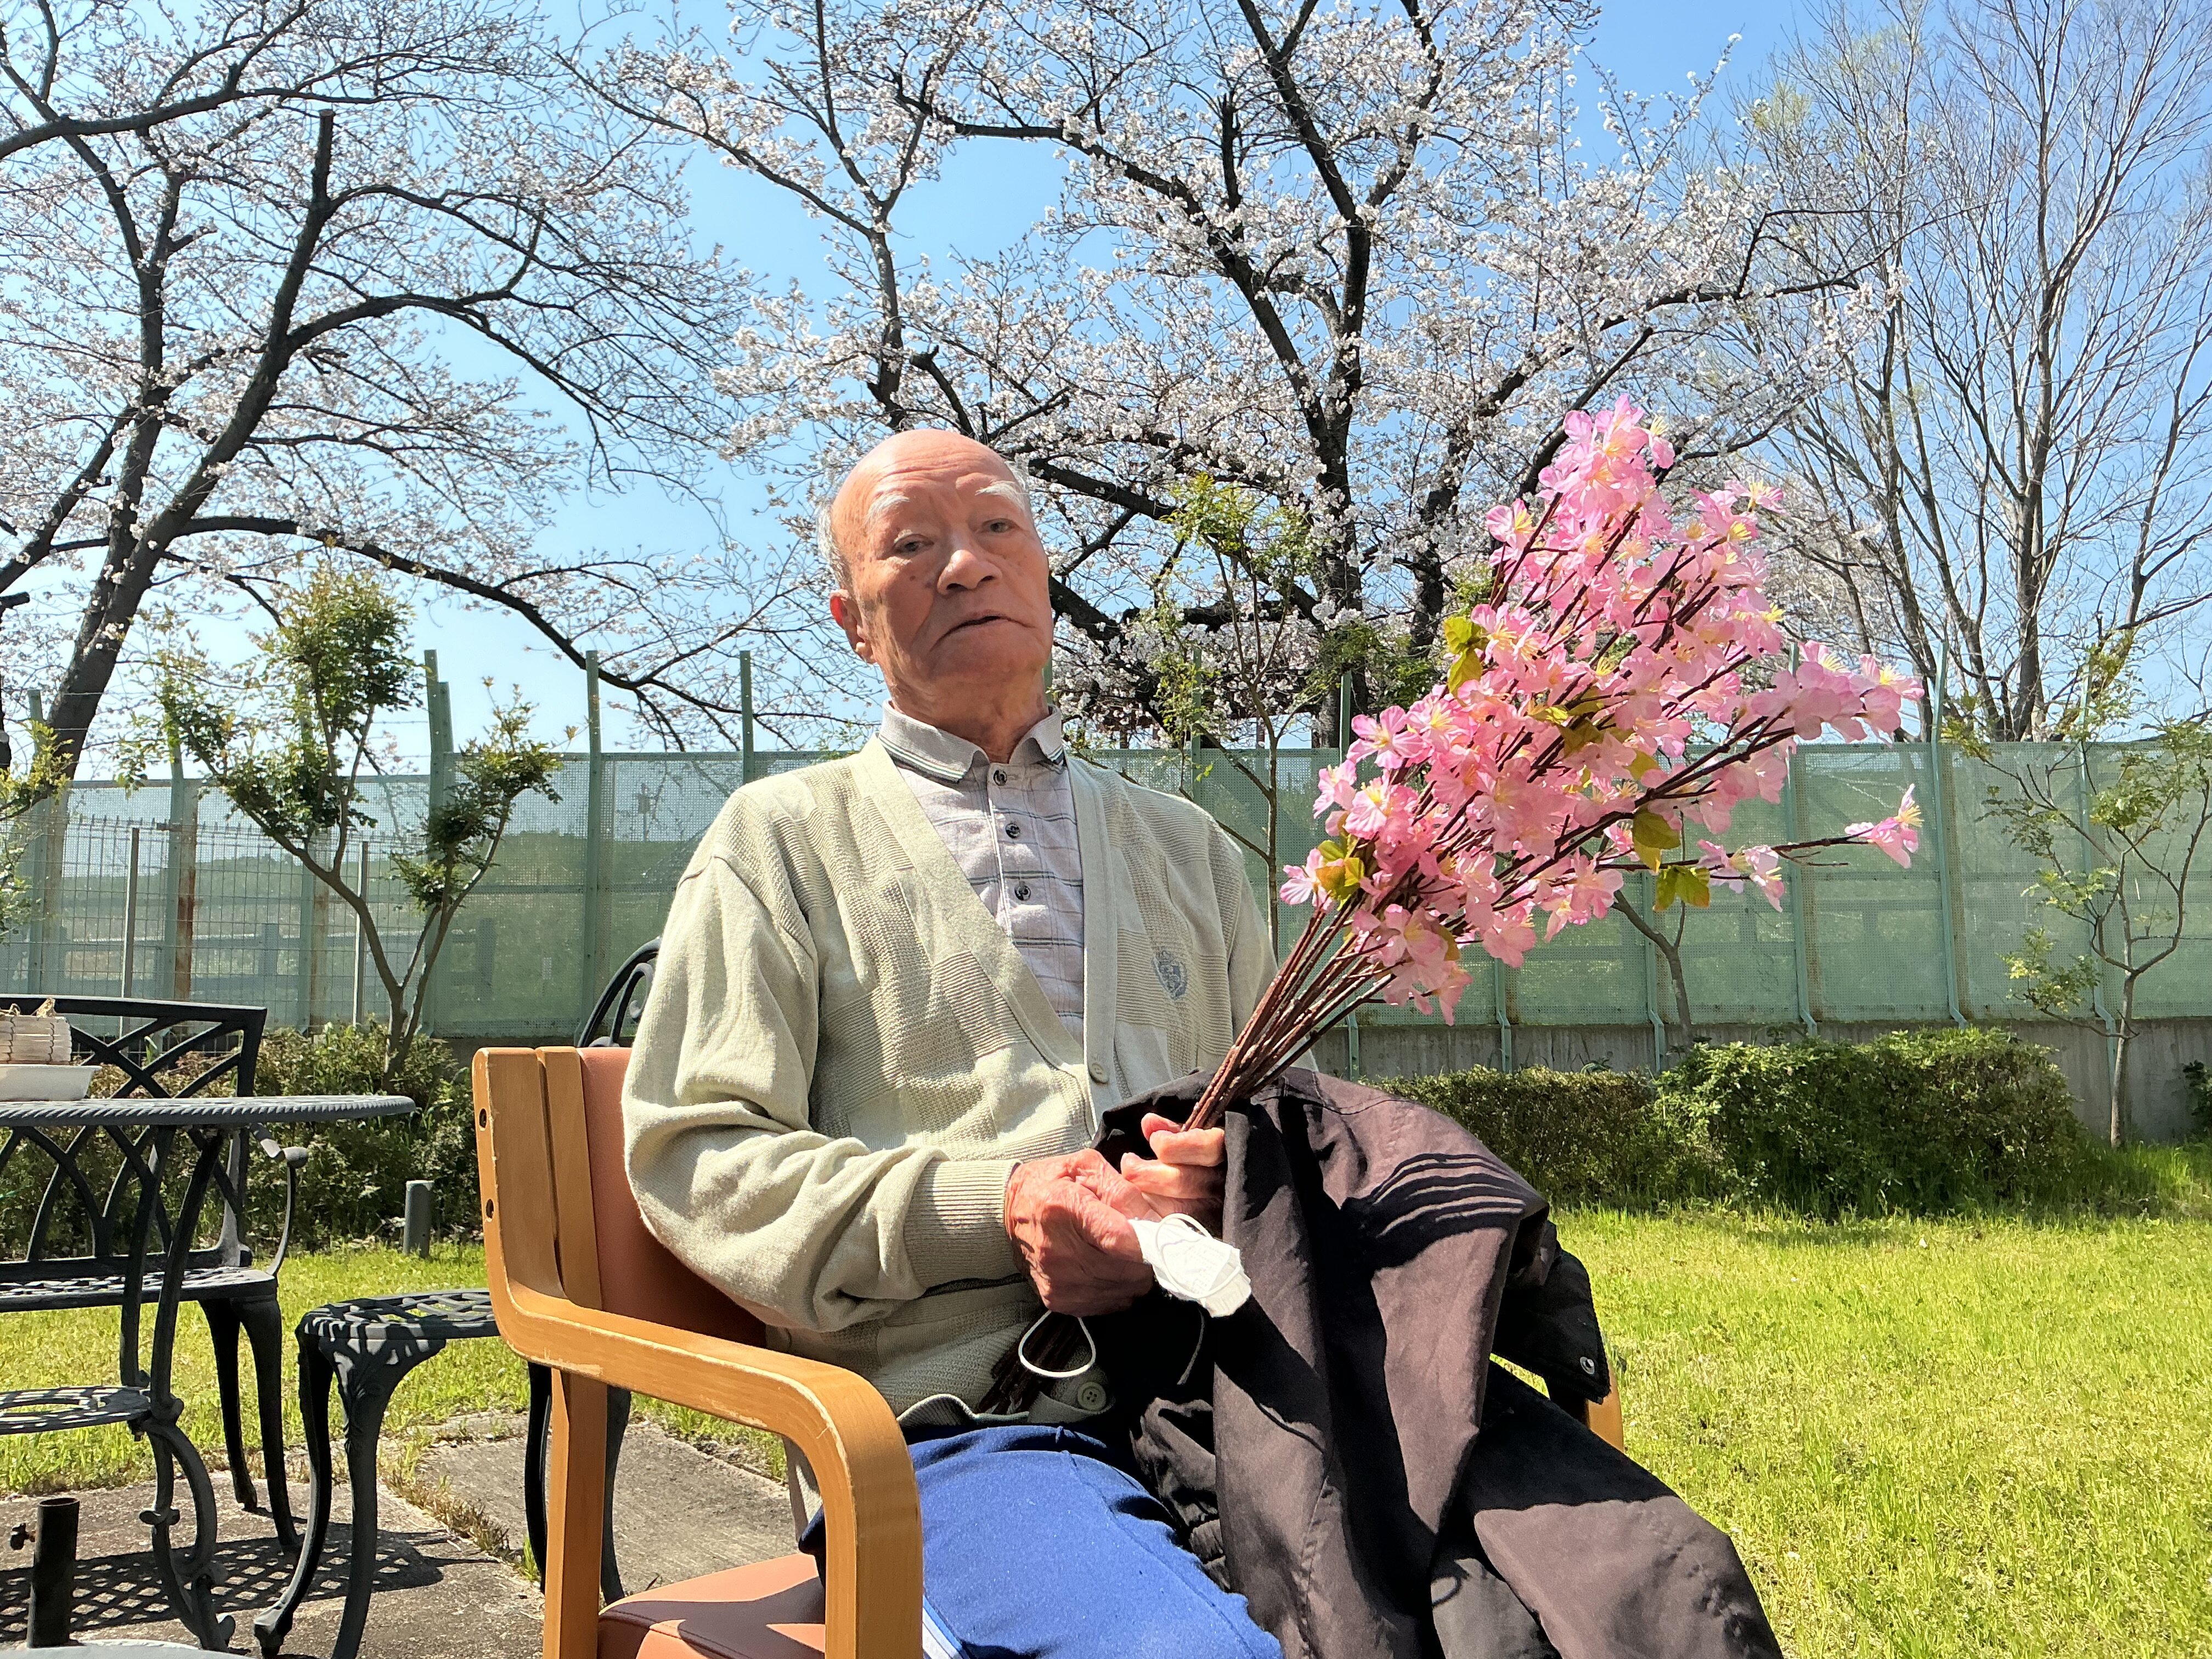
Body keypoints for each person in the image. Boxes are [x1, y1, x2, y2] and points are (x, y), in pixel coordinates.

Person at [623, 427, 1284, 1658]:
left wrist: (1226, 1177)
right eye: (912, 545)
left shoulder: (1189, 847)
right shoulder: (778, 841)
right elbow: (696, 1160)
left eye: (996, 528)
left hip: (1243, 1394)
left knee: (1585, 1593)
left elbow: (1291, 1121)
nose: (966, 565)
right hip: (960, 1428)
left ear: (1045, 576)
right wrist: (1002, 1206)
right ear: (853, 624)